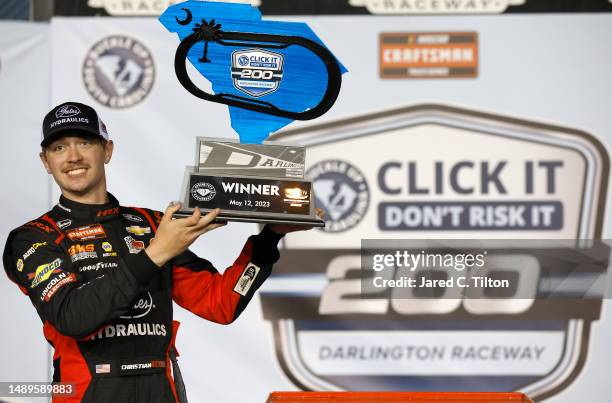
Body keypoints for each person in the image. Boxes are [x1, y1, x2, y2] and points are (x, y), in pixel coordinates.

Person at [2, 101, 313, 402]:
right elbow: (73, 319)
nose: (72, 157)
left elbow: (220, 304)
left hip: (161, 388)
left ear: (107, 150)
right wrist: (155, 254)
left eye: (85, 143)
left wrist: (269, 239)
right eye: (59, 148)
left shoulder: (153, 224)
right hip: (89, 390)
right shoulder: (34, 239)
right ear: (45, 161)